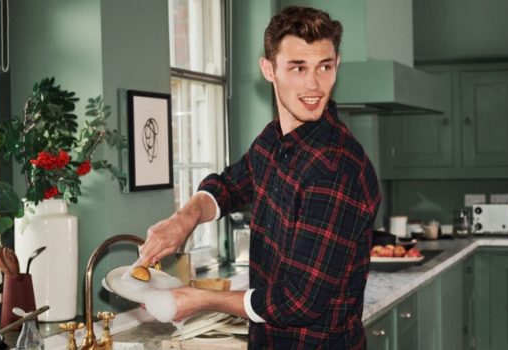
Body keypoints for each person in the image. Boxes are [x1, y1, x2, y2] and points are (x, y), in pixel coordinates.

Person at [139, 6, 381, 349]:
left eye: (324, 67)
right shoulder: (275, 139)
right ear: (268, 69)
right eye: (298, 67)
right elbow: (229, 185)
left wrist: (200, 299)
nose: (313, 84)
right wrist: (185, 217)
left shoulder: (336, 169)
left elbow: (297, 302)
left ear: (336, 64)